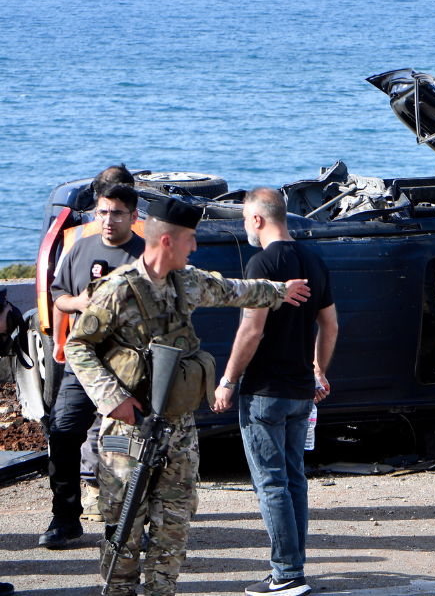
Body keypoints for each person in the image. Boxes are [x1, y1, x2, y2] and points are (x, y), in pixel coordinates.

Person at [64, 198, 310, 596]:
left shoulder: (187, 282)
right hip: (128, 429)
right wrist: (112, 399)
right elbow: (78, 345)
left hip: (177, 427)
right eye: (190, 240)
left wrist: (281, 290)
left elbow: (234, 290)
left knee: (173, 527)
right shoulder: (117, 291)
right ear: (166, 242)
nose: (195, 247)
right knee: (124, 528)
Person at [211, 189, 338, 596]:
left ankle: (286, 574)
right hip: (301, 390)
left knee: (271, 484)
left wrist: (228, 380)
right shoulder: (315, 262)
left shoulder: (261, 263)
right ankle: (293, 566)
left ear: (259, 219)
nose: (246, 226)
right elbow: (331, 326)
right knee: (294, 479)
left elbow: (251, 329)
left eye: (246, 218)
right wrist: (319, 370)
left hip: (264, 390)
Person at [41, 180, 144, 548]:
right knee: (63, 433)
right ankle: (65, 519)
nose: (108, 220)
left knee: (123, 447)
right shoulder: (81, 248)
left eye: (117, 213)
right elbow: (59, 297)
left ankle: (124, 527)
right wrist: (82, 303)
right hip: (81, 365)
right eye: (102, 211)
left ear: (133, 216)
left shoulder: (145, 256)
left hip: (126, 369)